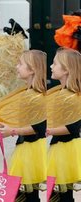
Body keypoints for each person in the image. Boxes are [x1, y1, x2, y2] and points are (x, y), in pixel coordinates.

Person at [0, 50, 47, 201]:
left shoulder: (36, 96)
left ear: (32, 69)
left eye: (20, 64)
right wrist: (6, 124)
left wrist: (12, 131)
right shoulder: (29, 93)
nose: (17, 67)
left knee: (26, 195)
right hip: (26, 148)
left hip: (31, 151)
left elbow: (39, 128)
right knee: (24, 195)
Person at [47, 48, 81, 202]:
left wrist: (47, 130)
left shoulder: (71, 96)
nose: (51, 66)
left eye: (55, 64)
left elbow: (72, 128)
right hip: (60, 147)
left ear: (67, 69)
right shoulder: (62, 93)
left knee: (62, 195)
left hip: (65, 151)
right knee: (60, 195)